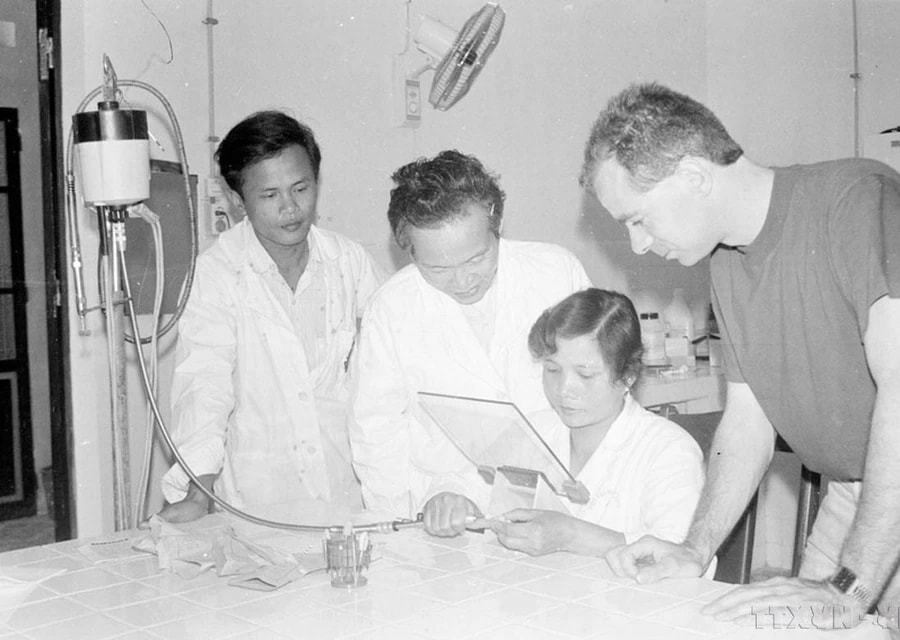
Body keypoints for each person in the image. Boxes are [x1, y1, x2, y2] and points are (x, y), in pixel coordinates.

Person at [579, 82, 900, 637]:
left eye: (638, 219)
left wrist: (846, 589)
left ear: (693, 175)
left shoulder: (858, 198)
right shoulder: (727, 265)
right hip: (853, 498)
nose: (638, 245)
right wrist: (694, 547)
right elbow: (748, 421)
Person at [349, 150, 592, 536]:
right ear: (407, 251)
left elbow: (596, 399)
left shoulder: (556, 273)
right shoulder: (392, 308)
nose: (463, 282)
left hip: (558, 507)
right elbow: (376, 433)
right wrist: (411, 514)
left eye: (477, 258)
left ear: (497, 223)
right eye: (438, 268)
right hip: (444, 516)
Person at [159, 110, 386, 522]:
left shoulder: (349, 262)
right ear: (236, 199)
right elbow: (204, 387)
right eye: (269, 195)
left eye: (301, 188)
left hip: (350, 492)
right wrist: (197, 491)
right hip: (259, 499)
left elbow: (395, 367)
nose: (291, 208)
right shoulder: (216, 275)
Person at [487, 288, 704, 557]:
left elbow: (679, 555)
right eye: (552, 370)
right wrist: (452, 497)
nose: (565, 389)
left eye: (586, 374)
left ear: (627, 376)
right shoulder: (534, 432)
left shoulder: (669, 449)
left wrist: (571, 535)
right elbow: (473, 485)